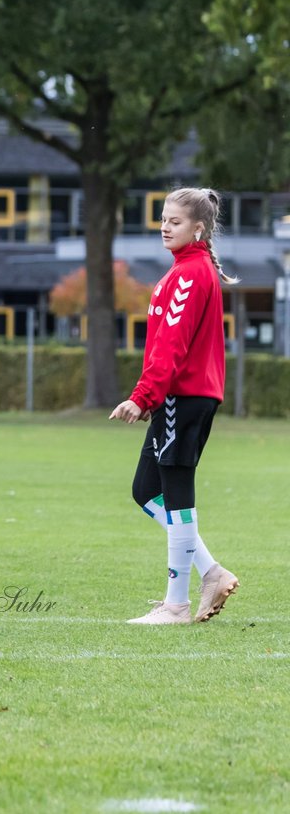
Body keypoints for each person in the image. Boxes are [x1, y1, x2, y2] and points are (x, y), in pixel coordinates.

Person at [110, 187, 240, 625]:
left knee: (178, 495)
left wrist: (142, 396)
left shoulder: (189, 274)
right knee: (146, 491)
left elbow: (171, 347)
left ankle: (176, 605)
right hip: (180, 397)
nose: (166, 226)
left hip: (181, 399)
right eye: (163, 219)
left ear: (198, 227)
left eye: (176, 221)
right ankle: (211, 572)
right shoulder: (186, 270)